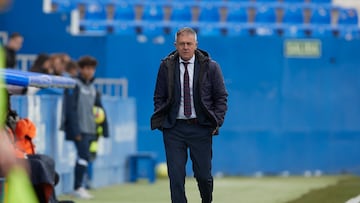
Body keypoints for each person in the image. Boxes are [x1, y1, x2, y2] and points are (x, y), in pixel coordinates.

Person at [150, 27, 228, 203]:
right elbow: (159, 96)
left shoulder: (211, 67)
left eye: (189, 44)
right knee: (176, 176)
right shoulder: (166, 66)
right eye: (182, 44)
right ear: (175, 45)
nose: (185, 47)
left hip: (201, 128)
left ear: (196, 45)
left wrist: (216, 121)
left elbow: (221, 97)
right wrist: (163, 123)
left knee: (203, 176)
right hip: (174, 129)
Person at [62, 56, 108, 199]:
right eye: (87, 68)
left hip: (91, 129)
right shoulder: (74, 85)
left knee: (85, 157)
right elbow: (70, 109)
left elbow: (100, 109)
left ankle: (80, 185)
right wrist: (75, 130)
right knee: (83, 156)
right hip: (79, 129)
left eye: (92, 69)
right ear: (81, 69)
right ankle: (78, 187)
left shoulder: (93, 88)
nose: (90, 71)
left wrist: (104, 129)